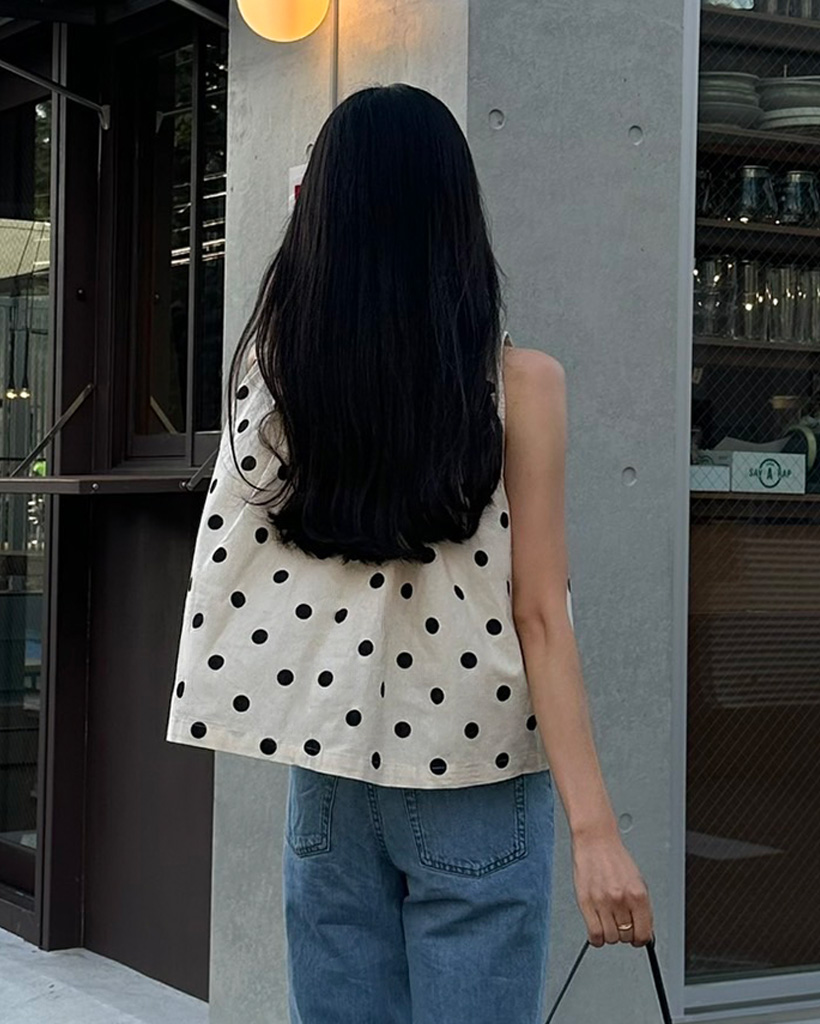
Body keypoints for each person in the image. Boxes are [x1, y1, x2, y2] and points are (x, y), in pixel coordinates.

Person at [166, 82, 654, 1024]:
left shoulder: (281, 376)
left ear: (323, 223)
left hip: (331, 770)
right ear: (457, 218)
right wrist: (596, 831)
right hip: (476, 771)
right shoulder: (522, 386)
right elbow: (541, 613)